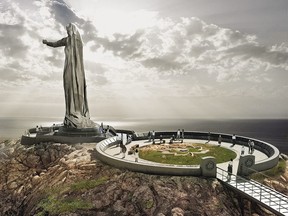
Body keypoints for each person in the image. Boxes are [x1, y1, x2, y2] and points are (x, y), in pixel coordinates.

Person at [43, 23, 95, 128]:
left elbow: (55, 44)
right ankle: (73, 113)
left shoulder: (71, 41)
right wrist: (48, 43)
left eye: (68, 30)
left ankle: (75, 114)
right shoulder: (77, 41)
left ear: (72, 31)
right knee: (71, 88)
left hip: (74, 70)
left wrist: (47, 42)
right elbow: (55, 43)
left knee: (73, 87)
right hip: (74, 69)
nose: (68, 32)